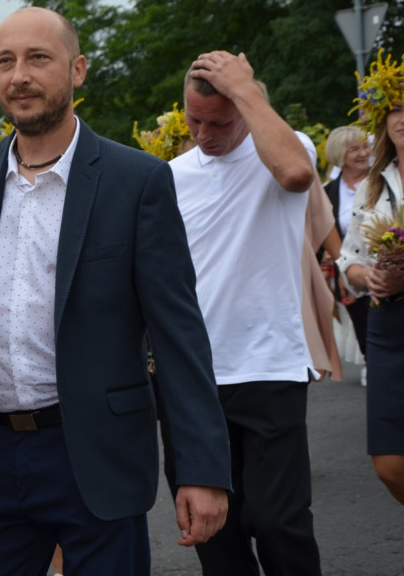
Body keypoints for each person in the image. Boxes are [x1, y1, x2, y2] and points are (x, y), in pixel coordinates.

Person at [0, 7, 230, 576]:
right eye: (5, 62)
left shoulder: (136, 182)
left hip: (94, 452)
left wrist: (201, 470)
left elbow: (179, 334)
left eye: (38, 58)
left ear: (78, 69)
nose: (19, 76)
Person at [169, 50, 322, 575]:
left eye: (220, 121)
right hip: (192, 379)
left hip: (269, 368)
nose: (205, 134)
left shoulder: (282, 151)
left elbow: (298, 174)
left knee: (281, 524)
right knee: (216, 537)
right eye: (194, 121)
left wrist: (247, 91)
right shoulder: (170, 176)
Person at [337, 52, 404, 505]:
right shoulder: (374, 184)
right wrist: (366, 276)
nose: (401, 118)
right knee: (389, 463)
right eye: (395, 108)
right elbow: (348, 259)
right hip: (388, 328)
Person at [324, 125, 372, 381]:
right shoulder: (328, 192)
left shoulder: (382, 179)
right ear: (339, 154)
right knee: (361, 319)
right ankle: (371, 362)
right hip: (348, 269)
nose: (363, 153)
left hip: (384, 261)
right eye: (355, 149)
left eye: (365, 146)